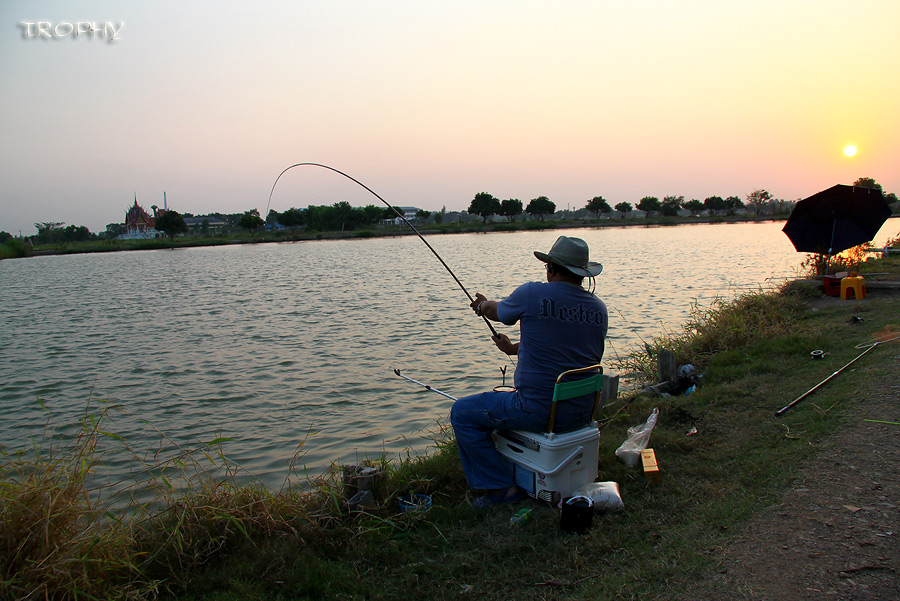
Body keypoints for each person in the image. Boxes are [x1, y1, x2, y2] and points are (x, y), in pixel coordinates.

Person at [450, 235, 608, 507]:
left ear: (551, 268)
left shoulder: (533, 294)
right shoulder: (598, 309)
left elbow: (497, 312)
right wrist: (513, 350)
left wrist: (482, 305)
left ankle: (499, 488)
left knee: (462, 413)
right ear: (582, 275)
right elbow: (565, 350)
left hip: (537, 410)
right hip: (583, 412)